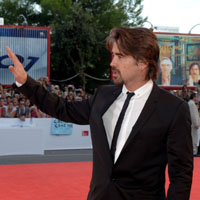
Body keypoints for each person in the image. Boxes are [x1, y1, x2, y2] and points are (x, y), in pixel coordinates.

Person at [6, 27, 193, 200]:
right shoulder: (103, 96)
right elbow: (62, 108)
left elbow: (181, 176)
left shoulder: (173, 109)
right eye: (113, 55)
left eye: (120, 56)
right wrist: (25, 82)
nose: (112, 62)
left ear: (143, 62)